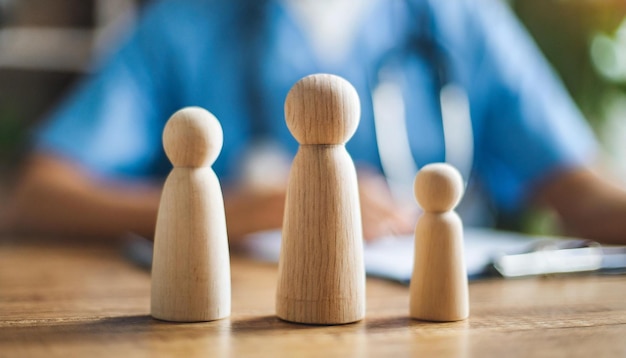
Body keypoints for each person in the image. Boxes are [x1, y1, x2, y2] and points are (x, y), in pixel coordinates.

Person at [3, 0, 626, 245]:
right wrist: (225, 211)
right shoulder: (182, 26)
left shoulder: (460, 20)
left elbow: (583, 194)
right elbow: (33, 198)